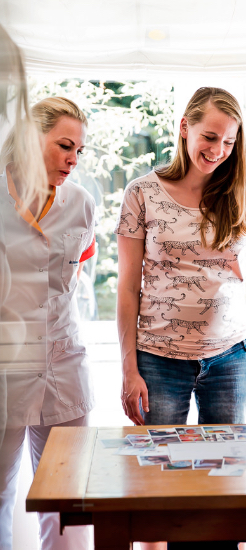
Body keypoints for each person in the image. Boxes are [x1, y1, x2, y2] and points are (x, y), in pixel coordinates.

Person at [116, 87, 246, 549]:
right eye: (210, 136)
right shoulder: (142, 193)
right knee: (157, 485)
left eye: (229, 143)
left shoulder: (242, 197)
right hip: (157, 361)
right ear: (184, 127)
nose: (218, 151)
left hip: (228, 361)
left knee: (223, 485)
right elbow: (127, 288)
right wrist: (129, 370)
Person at [0, 96, 95, 550]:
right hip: (5, 366)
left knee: (68, 498)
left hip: (63, 363)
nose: (73, 158)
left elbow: (76, 271)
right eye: (64, 145)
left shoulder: (81, 203)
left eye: (79, 149)